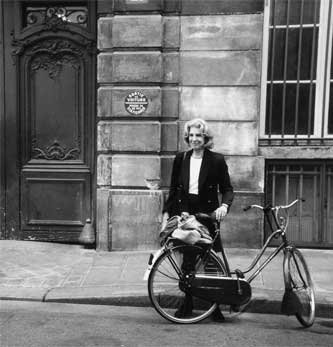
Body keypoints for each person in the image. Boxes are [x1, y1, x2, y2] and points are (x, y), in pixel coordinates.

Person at [162, 118, 234, 322]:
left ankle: (215, 305)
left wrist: (224, 206)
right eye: (191, 135)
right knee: (188, 260)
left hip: (208, 214)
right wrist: (168, 212)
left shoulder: (216, 160)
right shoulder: (181, 159)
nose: (194, 139)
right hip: (187, 214)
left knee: (211, 260)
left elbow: (227, 189)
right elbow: (174, 188)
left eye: (198, 135)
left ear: (205, 138)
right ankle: (188, 303)